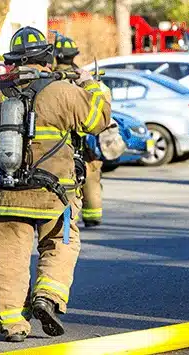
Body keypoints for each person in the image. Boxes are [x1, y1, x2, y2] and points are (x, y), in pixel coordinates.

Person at [0, 26, 112, 342]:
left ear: (14, 61)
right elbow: (99, 119)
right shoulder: (63, 92)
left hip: (3, 194)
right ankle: (47, 295)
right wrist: (94, 86)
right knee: (62, 243)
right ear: (47, 59)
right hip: (54, 196)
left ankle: (13, 323)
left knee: (9, 259)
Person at [53, 34, 125, 227]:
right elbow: (105, 105)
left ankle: (68, 221)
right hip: (92, 138)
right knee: (91, 178)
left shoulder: (54, 81)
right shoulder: (87, 79)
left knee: (67, 180)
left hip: (66, 141)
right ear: (73, 55)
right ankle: (93, 216)